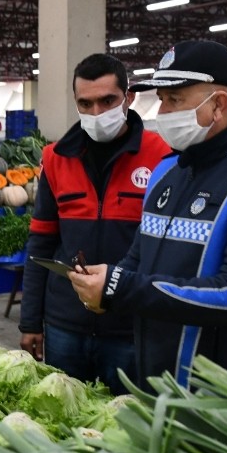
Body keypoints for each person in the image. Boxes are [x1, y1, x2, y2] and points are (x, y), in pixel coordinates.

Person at [68, 40, 227, 396]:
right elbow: (139, 256)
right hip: (156, 381)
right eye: (162, 99)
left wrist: (123, 287)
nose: (163, 112)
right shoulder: (167, 171)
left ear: (218, 104)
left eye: (176, 100)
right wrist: (106, 285)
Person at [19, 53, 169, 394]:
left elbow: (165, 252)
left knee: (125, 425)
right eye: (85, 104)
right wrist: (30, 322)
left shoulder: (162, 158)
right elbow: (40, 244)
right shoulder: (56, 160)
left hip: (130, 327)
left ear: (128, 98)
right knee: (61, 421)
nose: (97, 113)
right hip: (64, 326)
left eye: (108, 101)